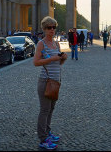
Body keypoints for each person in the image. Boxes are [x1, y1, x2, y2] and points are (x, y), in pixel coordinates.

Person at [33, 16, 67, 150]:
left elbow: (58, 63)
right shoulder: (41, 44)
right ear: (44, 29)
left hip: (55, 81)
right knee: (44, 110)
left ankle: (47, 133)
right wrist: (52, 58)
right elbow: (36, 62)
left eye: (53, 27)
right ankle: (43, 139)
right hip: (45, 81)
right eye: (49, 27)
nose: (52, 30)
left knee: (51, 109)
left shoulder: (56, 43)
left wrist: (62, 58)